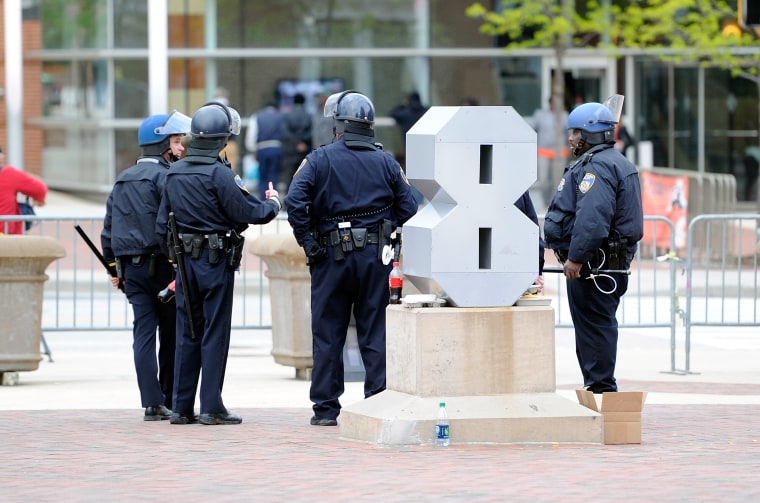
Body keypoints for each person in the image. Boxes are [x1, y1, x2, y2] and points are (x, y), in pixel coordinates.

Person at [285, 90, 418, 426]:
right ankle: (376, 402)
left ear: (338, 125)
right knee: (374, 331)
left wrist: (309, 244)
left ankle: (327, 409)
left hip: (331, 258)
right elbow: (410, 208)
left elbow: (294, 201)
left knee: (329, 332)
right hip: (374, 258)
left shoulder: (318, 159)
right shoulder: (387, 162)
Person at [156, 102, 282, 426]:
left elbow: (161, 225)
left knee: (187, 332)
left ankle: (181, 408)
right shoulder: (219, 173)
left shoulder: (173, 173)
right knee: (214, 332)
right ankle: (211, 406)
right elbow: (249, 212)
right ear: (220, 140)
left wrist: (175, 259)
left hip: (184, 264)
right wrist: (272, 203)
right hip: (214, 262)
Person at [543, 101, 643, 394]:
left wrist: (575, 258)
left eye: (575, 132)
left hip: (594, 268)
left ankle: (601, 392)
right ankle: (597, 387)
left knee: (594, 330)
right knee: (593, 329)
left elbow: (592, 218)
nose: (571, 138)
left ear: (591, 134)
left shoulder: (597, 167)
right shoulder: (612, 161)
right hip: (600, 266)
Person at [101, 111, 190, 420]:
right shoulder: (167, 177)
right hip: (164, 268)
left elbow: (108, 231)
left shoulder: (122, 179)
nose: (181, 149)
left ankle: (152, 403)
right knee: (171, 333)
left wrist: (115, 271)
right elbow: (171, 225)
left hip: (132, 272)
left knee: (143, 334)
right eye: (177, 142)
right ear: (161, 145)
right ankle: (168, 397)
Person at [530, 97, 568, 209]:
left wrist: (570, 148)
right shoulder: (540, 115)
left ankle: (555, 204)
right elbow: (532, 129)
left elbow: (570, 133)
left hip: (559, 154)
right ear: (550, 103)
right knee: (544, 181)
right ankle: (546, 203)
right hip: (543, 152)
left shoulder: (565, 116)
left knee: (558, 181)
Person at [0, 145, 47, 235]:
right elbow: (40, 189)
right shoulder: (9, 175)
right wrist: (39, 200)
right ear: (1, 157)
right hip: (7, 235)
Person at [245, 100, 283, 200]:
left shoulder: (257, 116)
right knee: (274, 174)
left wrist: (252, 149)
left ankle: (263, 199)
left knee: (263, 176)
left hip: (262, 148)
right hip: (276, 147)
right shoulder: (280, 116)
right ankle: (273, 198)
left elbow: (251, 134)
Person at [280, 93, 312, 194]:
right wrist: (302, 143)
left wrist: (296, 143)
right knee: (304, 176)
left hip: (291, 151)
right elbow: (311, 132)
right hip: (305, 150)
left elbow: (285, 132)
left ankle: (287, 200)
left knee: (289, 176)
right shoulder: (308, 115)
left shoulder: (287, 115)